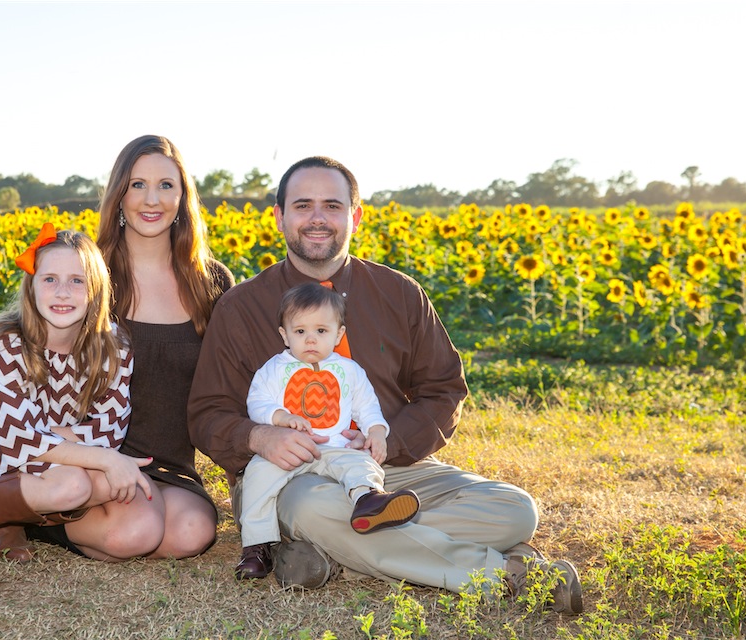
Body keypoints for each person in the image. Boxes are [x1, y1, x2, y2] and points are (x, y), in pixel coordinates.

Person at [188, 156, 583, 614]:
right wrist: (261, 435)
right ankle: (511, 576)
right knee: (314, 511)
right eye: (302, 205)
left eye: (332, 206)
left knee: (515, 509)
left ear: (355, 216)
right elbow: (207, 412)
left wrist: (385, 440)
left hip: (388, 468)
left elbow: (444, 390)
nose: (317, 218)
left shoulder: (400, 293)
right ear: (279, 217)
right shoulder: (241, 307)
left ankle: (334, 557)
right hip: (292, 476)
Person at [0, 135, 234, 562]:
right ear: (118, 195)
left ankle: (41, 515)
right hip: (86, 456)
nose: (152, 199)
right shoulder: (89, 269)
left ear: (184, 197)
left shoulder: (211, 281)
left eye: (167, 185)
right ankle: (29, 512)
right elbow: (29, 330)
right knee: (133, 535)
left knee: (191, 534)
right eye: (137, 184)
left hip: (170, 463)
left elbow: (234, 374)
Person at [0, 225, 155, 574]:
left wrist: (43, 434)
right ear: (32, 286)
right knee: (76, 483)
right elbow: (12, 445)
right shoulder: (6, 345)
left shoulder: (114, 346)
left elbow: (109, 433)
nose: (62, 292)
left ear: (96, 289)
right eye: (50, 280)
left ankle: (7, 520)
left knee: (110, 480)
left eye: (77, 280)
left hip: (56, 456)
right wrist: (94, 452)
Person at [235, 282, 420, 580]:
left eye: (321, 331)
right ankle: (257, 547)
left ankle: (368, 500)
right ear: (284, 335)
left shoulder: (349, 370)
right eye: (300, 332)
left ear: (338, 334)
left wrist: (376, 431)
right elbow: (257, 401)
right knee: (258, 475)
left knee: (361, 462)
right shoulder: (273, 369)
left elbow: (367, 407)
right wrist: (280, 417)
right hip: (289, 450)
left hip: (335, 448)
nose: (310, 340)